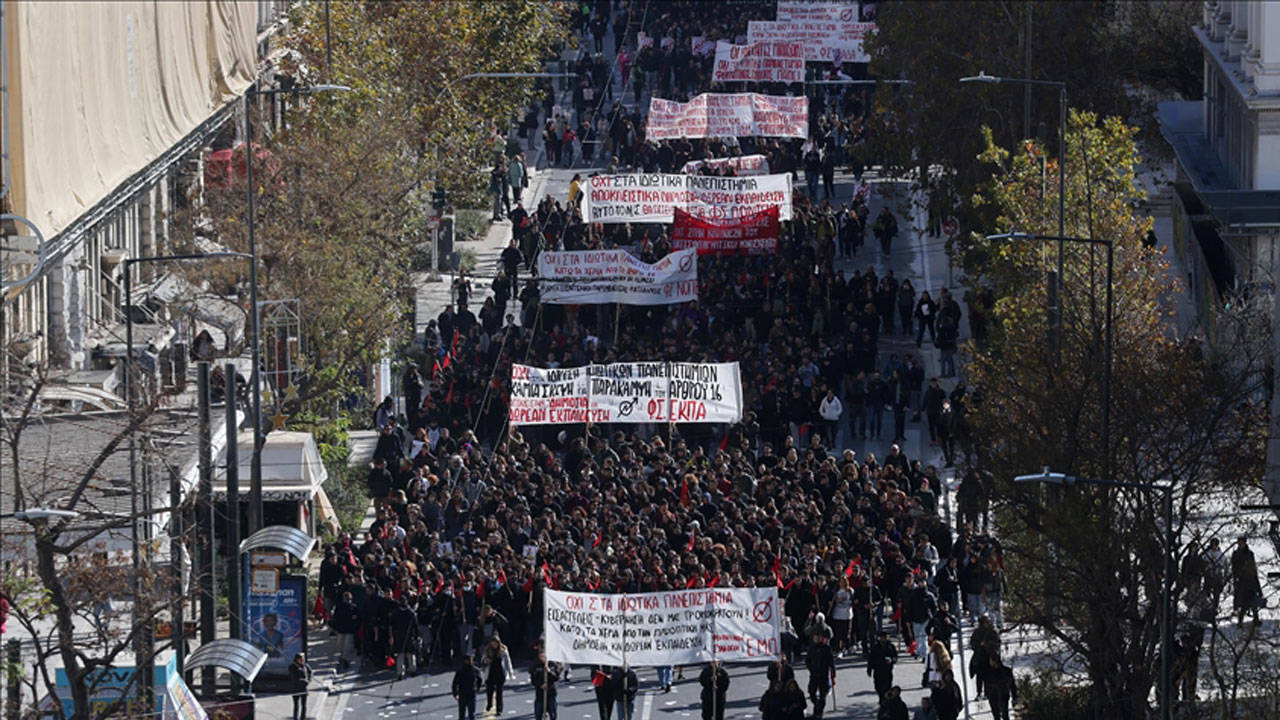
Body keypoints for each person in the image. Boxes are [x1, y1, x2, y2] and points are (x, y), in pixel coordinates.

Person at [1230, 535, 1264, 625]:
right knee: (1244, 602)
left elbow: (1253, 567)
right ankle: (1240, 620)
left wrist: (1256, 580)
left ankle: (1255, 619)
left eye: (1242, 542)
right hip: (1241, 581)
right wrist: (1236, 579)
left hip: (1251, 580)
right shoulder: (1236, 554)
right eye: (1239, 542)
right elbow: (1234, 568)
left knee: (1253, 601)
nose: (1241, 544)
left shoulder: (1250, 553)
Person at [805, 634, 836, 720]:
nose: (816, 639)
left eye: (818, 638)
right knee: (812, 692)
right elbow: (807, 660)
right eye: (815, 638)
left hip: (823, 675)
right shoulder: (811, 648)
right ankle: (816, 705)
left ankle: (819, 712)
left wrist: (833, 670)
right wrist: (811, 668)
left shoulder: (826, 648)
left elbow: (830, 661)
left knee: (823, 695)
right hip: (814, 674)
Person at [482, 635, 514, 715]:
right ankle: (489, 704)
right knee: (489, 690)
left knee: (499, 692)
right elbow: (483, 660)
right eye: (492, 643)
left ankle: (499, 709)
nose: (494, 645)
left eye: (495, 643)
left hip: (500, 673)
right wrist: (486, 661)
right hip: (490, 673)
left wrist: (510, 672)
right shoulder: (487, 650)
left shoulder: (503, 650)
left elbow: (507, 661)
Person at [330, 591, 360, 669]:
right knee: (340, 645)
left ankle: (346, 660)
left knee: (348, 646)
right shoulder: (340, 607)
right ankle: (342, 658)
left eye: (349, 599)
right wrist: (335, 627)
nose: (348, 600)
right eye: (347, 598)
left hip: (349, 629)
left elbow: (357, 618)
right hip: (341, 629)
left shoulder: (353, 607)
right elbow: (336, 618)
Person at [984, 656, 1016, 720]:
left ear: (994, 662)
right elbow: (1012, 684)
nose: (989, 662)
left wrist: (1014, 695)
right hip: (999, 696)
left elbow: (1012, 684)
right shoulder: (1007, 670)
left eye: (991, 661)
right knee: (1002, 716)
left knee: (1001, 716)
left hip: (999, 696)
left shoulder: (989, 672)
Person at [868, 631, 898, 698]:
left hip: (887, 671)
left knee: (887, 687)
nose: (883, 639)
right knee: (878, 687)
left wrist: (891, 660)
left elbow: (895, 657)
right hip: (878, 671)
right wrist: (869, 669)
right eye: (882, 637)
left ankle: (886, 700)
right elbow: (871, 659)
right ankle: (881, 698)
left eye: (885, 637)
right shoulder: (875, 647)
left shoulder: (891, 647)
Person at [531, 653, 560, 720]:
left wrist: (549, 672)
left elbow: (556, 678)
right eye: (541, 656)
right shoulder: (535, 666)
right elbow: (533, 680)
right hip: (540, 693)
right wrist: (540, 685)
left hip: (551, 692)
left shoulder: (552, 665)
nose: (543, 658)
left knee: (553, 713)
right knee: (538, 713)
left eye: (544, 656)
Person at [452, 655, 481, 720]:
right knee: (469, 713)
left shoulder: (461, 670)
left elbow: (455, 683)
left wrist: (455, 694)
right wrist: (477, 689)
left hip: (466, 693)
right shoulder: (474, 670)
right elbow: (480, 680)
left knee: (465, 713)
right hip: (467, 693)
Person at [288, 653, 312, 720]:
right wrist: (304, 681)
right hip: (295, 689)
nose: (302, 661)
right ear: (297, 659)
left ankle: (303, 718)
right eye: (301, 659)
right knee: (296, 705)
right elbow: (295, 678)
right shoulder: (292, 667)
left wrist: (309, 680)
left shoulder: (305, 665)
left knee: (304, 705)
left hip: (304, 689)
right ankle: (295, 718)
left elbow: (310, 672)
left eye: (303, 659)